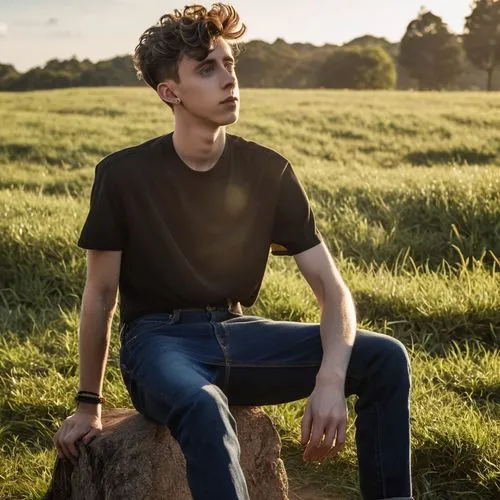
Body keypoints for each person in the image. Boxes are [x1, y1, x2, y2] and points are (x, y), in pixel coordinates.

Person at [53, 4, 413, 499]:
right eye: (206, 68)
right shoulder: (122, 176)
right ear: (170, 92)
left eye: (229, 64)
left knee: (385, 357)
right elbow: (100, 295)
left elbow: (333, 291)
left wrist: (331, 379)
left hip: (238, 334)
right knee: (204, 404)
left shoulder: (269, 172)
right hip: (158, 343)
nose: (228, 79)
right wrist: (88, 404)